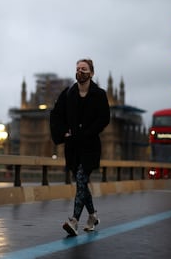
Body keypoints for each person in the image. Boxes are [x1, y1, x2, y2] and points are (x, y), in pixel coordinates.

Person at [50, 58, 110, 236]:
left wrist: (88, 132)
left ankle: (74, 221)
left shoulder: (99, 94)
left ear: (91, 73)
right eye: (77, 69)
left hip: (90, 145)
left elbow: (104, 118)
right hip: (73, 147)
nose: (80, 72)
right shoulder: (68, 93)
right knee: (81, 183)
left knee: (82, 178)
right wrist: (63, 133)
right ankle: (92, 216)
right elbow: (56, 115)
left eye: (84, 69)